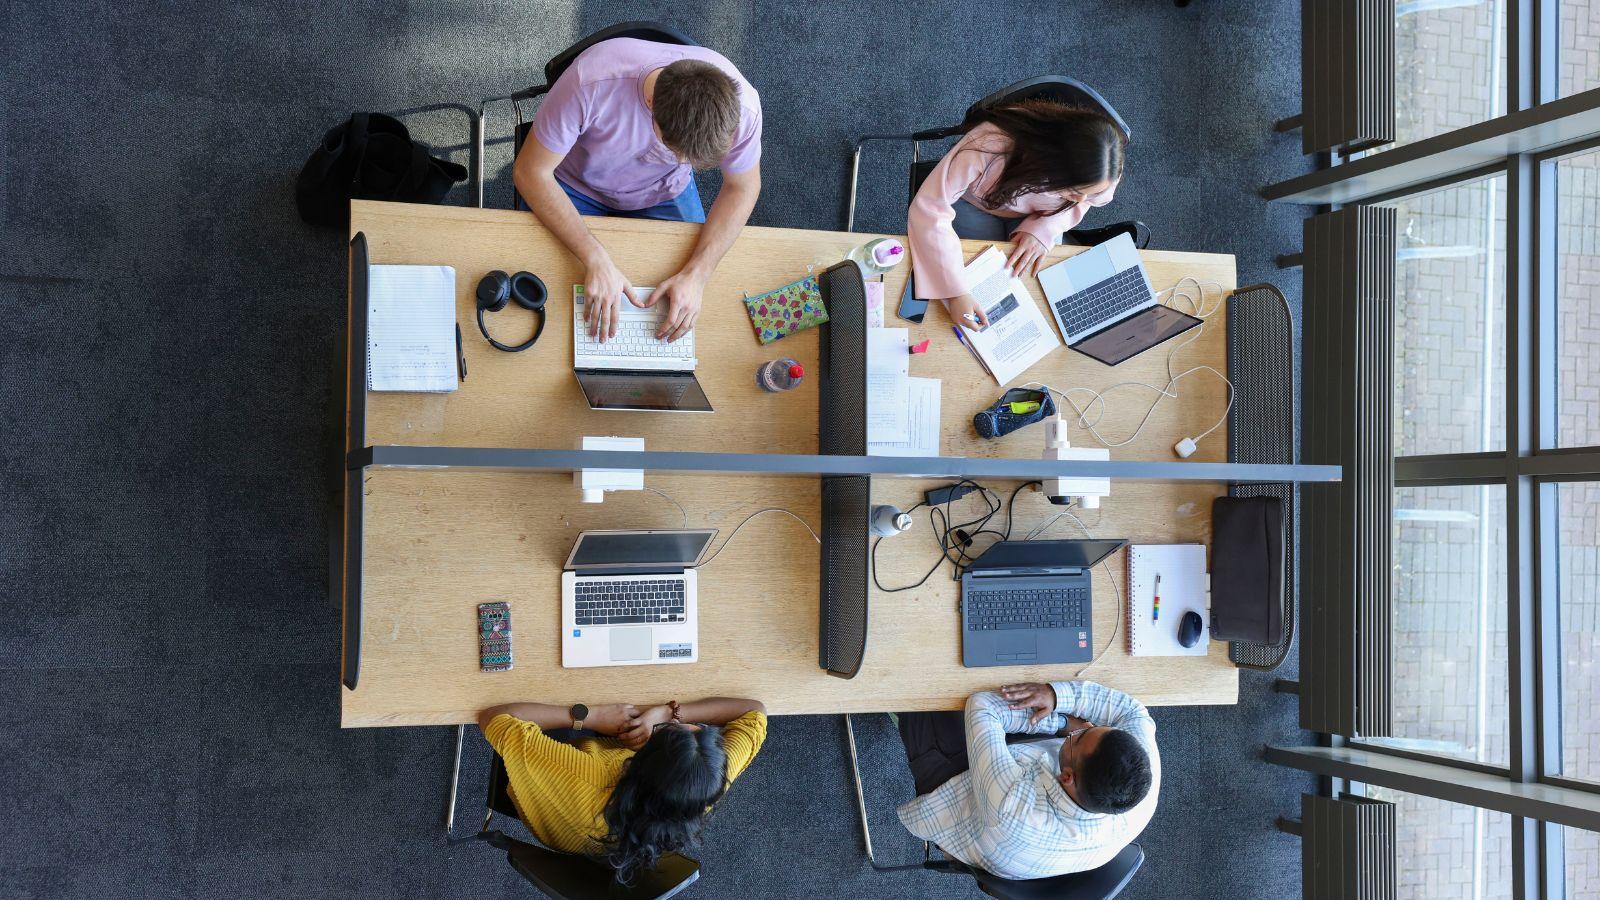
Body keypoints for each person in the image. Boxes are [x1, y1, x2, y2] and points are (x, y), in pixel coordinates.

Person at [512, 37, 763, 344]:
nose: (682, 161)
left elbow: (743, 186)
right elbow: (530, 172)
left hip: (665, 190)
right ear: (651, 106)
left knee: (695, 303)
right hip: (575, 184)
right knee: (546, 298)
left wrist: (697, 275)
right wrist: (595, 257)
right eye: (673, 150)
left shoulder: (744, 109)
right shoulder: (591, 82)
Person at [478, 696, 767, 882]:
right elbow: (754, 712)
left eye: (668, 730)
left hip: (551, 806)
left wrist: (586, 717)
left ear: (635, 763)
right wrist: (670, 712)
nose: (681, 725)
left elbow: (494, 718)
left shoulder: (585, 776)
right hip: (613, 841)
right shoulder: (703, 783)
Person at [895, 680, 1158, 880]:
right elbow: (1133, 712)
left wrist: (1063, 722)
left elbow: (983, 706)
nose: (1084, 727)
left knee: (933, 684)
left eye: (1077, 738)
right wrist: (1055, 696)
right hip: (1025, 799)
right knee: (1028, 691)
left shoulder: (1012, 807)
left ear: (1067, 777)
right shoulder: (1141, 775)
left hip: (961, 797)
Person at [906, 99, 1126, 332]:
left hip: (1041, 216)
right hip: (976, 204)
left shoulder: (1105, 168)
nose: (1080, 200)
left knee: (1036, 281)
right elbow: (931, 208)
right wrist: (955, 293)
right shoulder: (988, 145)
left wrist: (1044, 230)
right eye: (1072, 192)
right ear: (1049, 165)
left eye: (1090, 192)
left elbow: (1084, 203)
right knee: (976, 268)